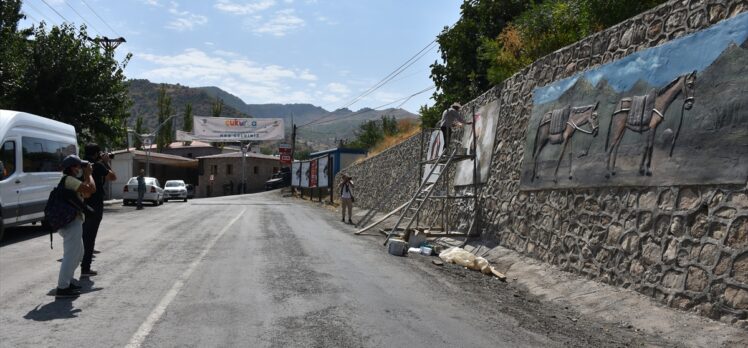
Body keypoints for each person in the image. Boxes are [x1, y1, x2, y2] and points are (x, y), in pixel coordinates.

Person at [56, 155, 96, 298]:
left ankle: (68, 281)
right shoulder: (70, 180)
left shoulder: (71, 181)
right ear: (73, 168)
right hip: (71, 223)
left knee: (79, 254)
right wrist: (89, 174)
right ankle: (62, 287)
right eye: (79, 166)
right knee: (70, 255)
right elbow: (91, 189)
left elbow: (86, 194)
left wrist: (86, 176)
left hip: (72, 221)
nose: (81, 168)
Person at [79, 145, 117, 277]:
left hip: (79, 204)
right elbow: (112, 177)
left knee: (81, 236)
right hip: (94, 205)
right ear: (96, 154)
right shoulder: (97, 165)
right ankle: (85, 268)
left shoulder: (79, 164)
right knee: (89, 238)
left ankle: (75, 265)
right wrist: (106, 162)